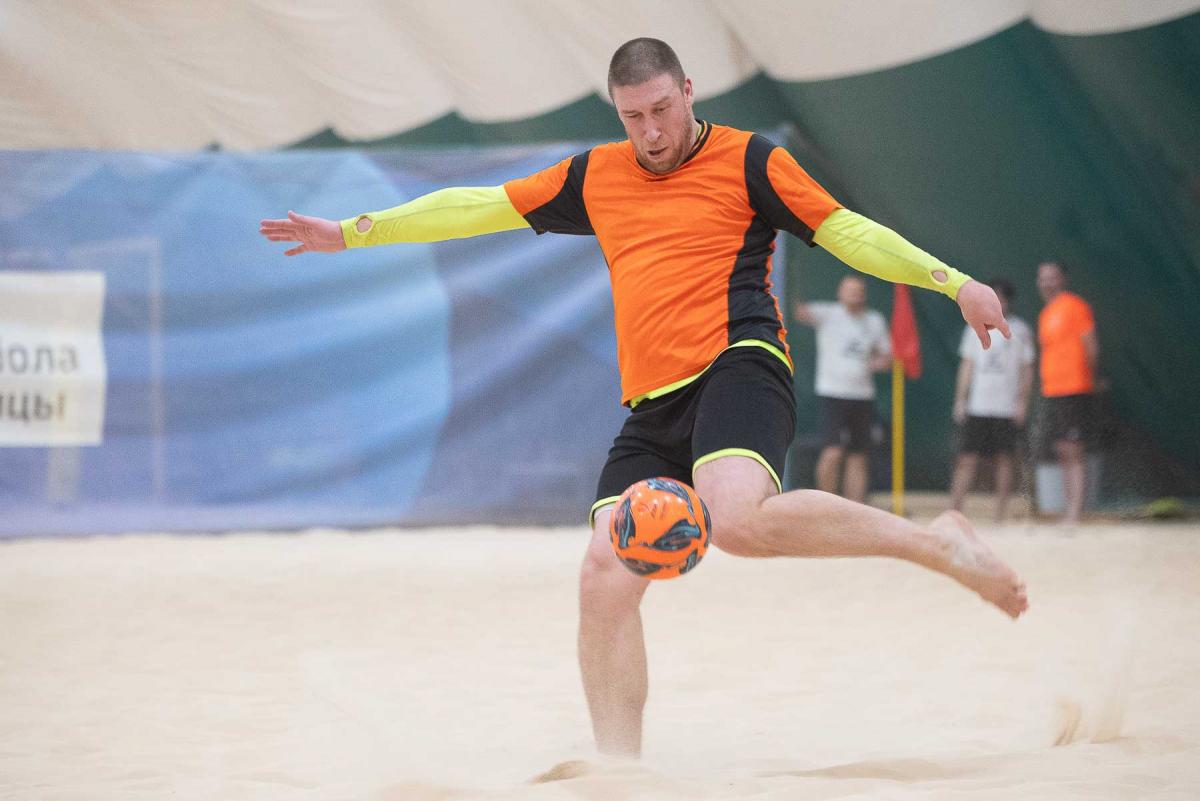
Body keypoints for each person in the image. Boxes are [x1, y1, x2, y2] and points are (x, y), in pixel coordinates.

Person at [260, 38, 1028, 758]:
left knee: (735, 519)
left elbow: (847, 231)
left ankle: (937, 542)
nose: (652, 131)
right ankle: (619, 774)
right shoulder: (595, 175)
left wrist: (953, 282)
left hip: (738, 363)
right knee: (604, 572)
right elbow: (476, 205)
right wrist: (354, 231)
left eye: (662, 108)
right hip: (652, 405)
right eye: (633, 116)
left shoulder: (750, 160)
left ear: (688, 91)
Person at [793, 276, 890, 503]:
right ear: (840, 293)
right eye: (850, 290)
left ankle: (854, 507)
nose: (854, 294)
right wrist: (793, 281)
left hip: (862, 396)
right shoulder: (828, 314)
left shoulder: (874, 320)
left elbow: (887, 354)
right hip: (832, 395)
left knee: (858, 455)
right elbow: (798, 310)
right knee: (832, 453)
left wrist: (878, 363)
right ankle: (826, 505)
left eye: (858, 290)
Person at [949, 279, 1035, 521]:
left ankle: (1000, 515)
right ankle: (955, 512)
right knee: (966, 459)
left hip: (1005, 407)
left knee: (1005, 459)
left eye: (1002, 299)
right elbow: (967, 365)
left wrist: (1022, 402)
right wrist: (961, 400)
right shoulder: (973, 326)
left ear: (1008, 302)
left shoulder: (1020, 330)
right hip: (978, 405)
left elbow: (1027, 368)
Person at [1036, 261, 1098, 525]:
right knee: (1062, 449)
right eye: (1042, 278)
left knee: (1074, 449)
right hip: (1052, 390)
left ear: (1063, 279)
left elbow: (1090, 344)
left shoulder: (1075, 306)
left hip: (1075, 388)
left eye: (1052, 277)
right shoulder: (1045, 314)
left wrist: (1091, 379)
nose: (1047, 282)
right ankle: (1068, 508)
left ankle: (1075, 511)